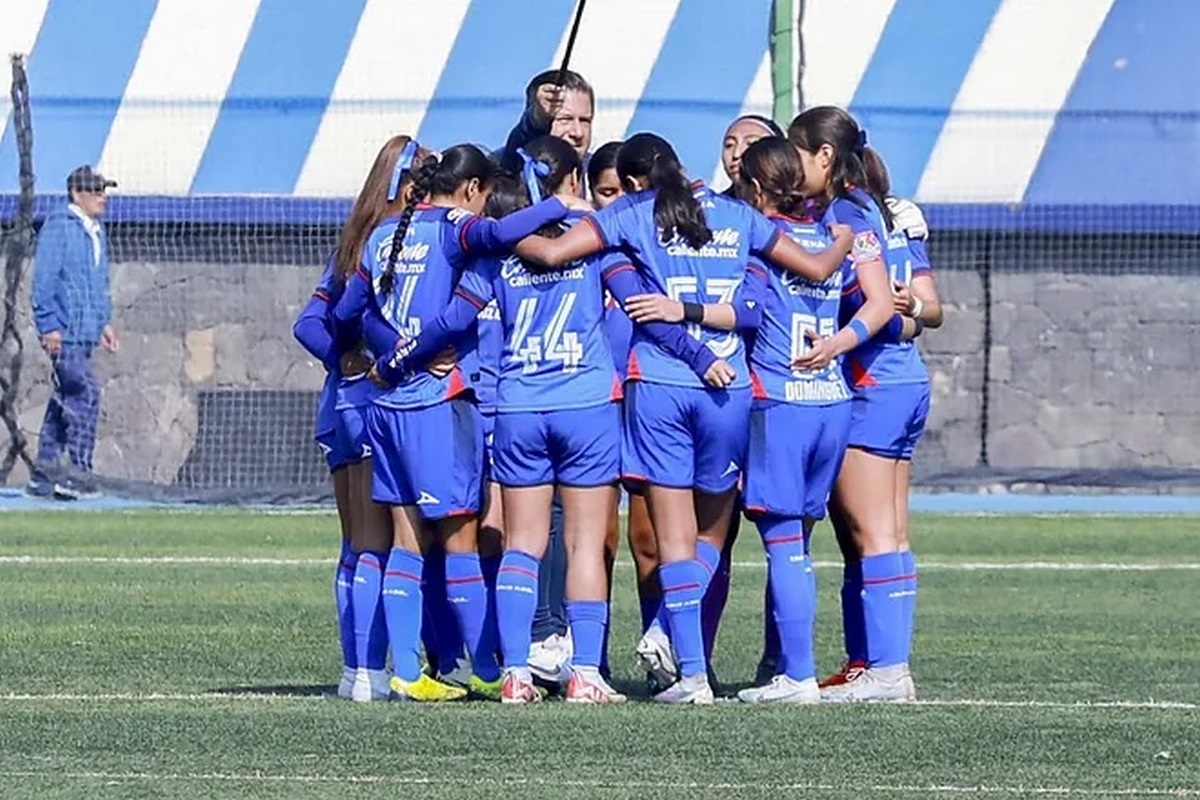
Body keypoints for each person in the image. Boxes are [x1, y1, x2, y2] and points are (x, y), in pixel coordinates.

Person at [514, 132, 853, 703]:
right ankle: (709, 661)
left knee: (672, 539)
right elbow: (817, 269)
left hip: (662, 385)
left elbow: (549, 254)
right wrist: (845, 238)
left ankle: (691, 675)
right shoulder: (735, 215)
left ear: (633, 180)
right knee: (709, 538)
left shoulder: (628, 213)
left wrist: (512, 222)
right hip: (730, 390)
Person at [376, 137, 716, 703]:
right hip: (585, 406)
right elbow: (642, 310)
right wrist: (701, 355)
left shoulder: (497, 255)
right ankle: (585, 672)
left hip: (518, 406)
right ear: (572, 182)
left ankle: (514, 673)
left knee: (523, 543)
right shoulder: (597, 245)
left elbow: (452, 318)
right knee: (584, 545)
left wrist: (400, 358)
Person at [335, 144, 574, 702]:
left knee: (404, 542)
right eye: (486, 195)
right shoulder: (453, 229)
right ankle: (488, 673)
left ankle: (404, 672)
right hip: (438, 404)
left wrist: (391, 354)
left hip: (388, 409)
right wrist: (556, 203)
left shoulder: (383, 234)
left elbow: (350, 313)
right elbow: (494, 240)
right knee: (461, 541)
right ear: (470, 191)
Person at [730, 137, 895, 703]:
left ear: (754, 189)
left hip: (780, 400)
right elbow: (880, 302)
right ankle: (792, 668)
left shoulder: (756, 238)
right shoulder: (837, 232)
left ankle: (796, 674)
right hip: (831, 399)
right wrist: (838, 345)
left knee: (783, 545)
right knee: (798, 542)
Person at [787, 106, 925, 702]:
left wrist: (835, 338)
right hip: (904, 380)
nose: (792, 166)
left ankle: (887, 670)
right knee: (890, 533)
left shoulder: (844, 213)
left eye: (796, 151)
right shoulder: (874, 208)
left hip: (871, 383)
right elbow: (910, 305)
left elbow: (868, 299)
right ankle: (886, 666)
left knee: (870, 535)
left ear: (823, 154)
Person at [27, 165, 120, 501]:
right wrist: (49, 325)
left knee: (63, 400)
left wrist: (103, 323)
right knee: (85, 394)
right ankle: (77, 474)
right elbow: (44, 281)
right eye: (96, 191)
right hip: (63, 333)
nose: (103, 198)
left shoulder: (96, 231)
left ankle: (44, 474)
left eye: (104, 191)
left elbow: (98, 285)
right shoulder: (59, 228)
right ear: (76, 194)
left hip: (85, 334)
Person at [501, 69, 595, 178]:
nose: (578, 133)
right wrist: (535, 117)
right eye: (565, 119)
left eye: (585, 121)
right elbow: (524, 135)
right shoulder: (498, 168)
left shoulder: (598, 171)